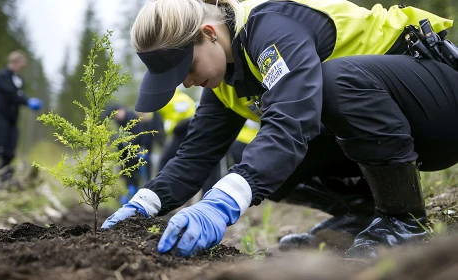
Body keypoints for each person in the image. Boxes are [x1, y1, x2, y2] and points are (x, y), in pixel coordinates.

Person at [101, 0, 458, 259]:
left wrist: (225, 200)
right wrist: (145, 203)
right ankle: (364, 214)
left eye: (187, 68)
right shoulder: (225, 79)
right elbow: (195, 154)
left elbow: (293, 118)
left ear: (208, 33)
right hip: (397, 131)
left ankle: (403, 220)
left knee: (331, 83)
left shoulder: (270, 29)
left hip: (438, 107)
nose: (189, 82)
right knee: (251, 159)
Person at [0, 50, 43, 177]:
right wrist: (27, 101)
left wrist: (26, 100)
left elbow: (18, 94)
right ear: (15, 61)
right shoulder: (1, 75)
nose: (23, 66)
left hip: (12, 120)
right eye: (22, 63)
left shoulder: (19, 79)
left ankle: (3, 178)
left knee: (10, 151)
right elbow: (11, 93)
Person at [105, 104, 145, 204]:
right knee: (128, 177)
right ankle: (129, 197)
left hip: (136, 153)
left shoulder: (132, 119)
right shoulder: (120, 122)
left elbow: (139, 137)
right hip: (126, 155)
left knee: (138, 177)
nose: (116, 117)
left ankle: (137, 198)